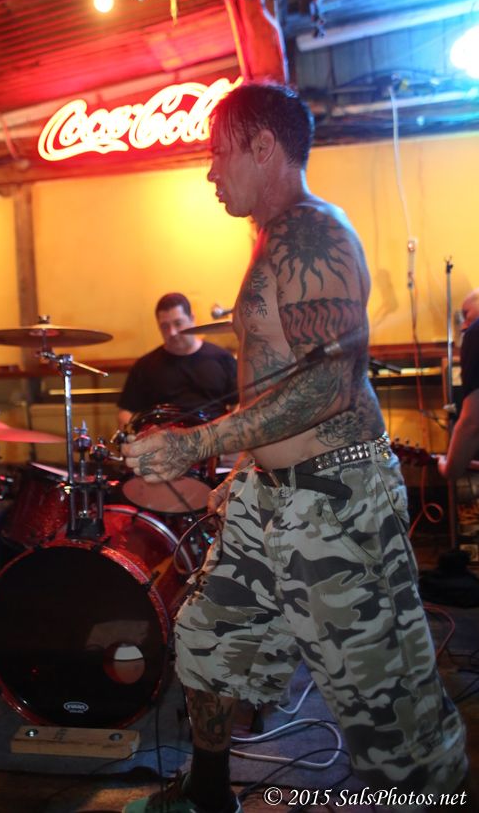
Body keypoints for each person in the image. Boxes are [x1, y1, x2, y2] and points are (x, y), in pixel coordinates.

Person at [122, 82, 470, 813]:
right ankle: (208, 792)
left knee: (384, 700)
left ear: (262, 147)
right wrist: (246, 467)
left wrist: (200, 443)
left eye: (218, 154)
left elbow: (329, 385)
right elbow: (278, 384)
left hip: (338, 495)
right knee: (208, 635)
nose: (210, 173)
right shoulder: (272, 240)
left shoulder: (315, 234)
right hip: (273, 495)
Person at [117, 292, 237, 428]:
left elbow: (239, 404)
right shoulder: (144, 366)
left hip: (215, 436)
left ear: (192, 318)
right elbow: (126, 412)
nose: (172, 332)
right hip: (163, 437)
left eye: (178, 323)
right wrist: (135, 432)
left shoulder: (222, 358)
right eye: (165, 326)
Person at [438, 287, 479, 480]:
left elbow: (472, 423)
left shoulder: (476, 332)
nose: (463, 326)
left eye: (466, 313)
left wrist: (450, 470)